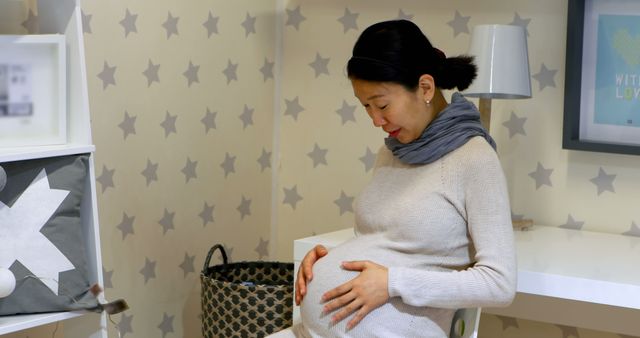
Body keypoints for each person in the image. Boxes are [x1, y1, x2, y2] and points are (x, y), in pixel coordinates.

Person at [269, 19, 516, 338]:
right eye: (366, 107)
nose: (375, 120)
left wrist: (392, 283)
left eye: (382, 104)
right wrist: (328, 261)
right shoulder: (394, 150)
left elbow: (499, 284)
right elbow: (386, 241)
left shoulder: (475, 158)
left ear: (425, 88)